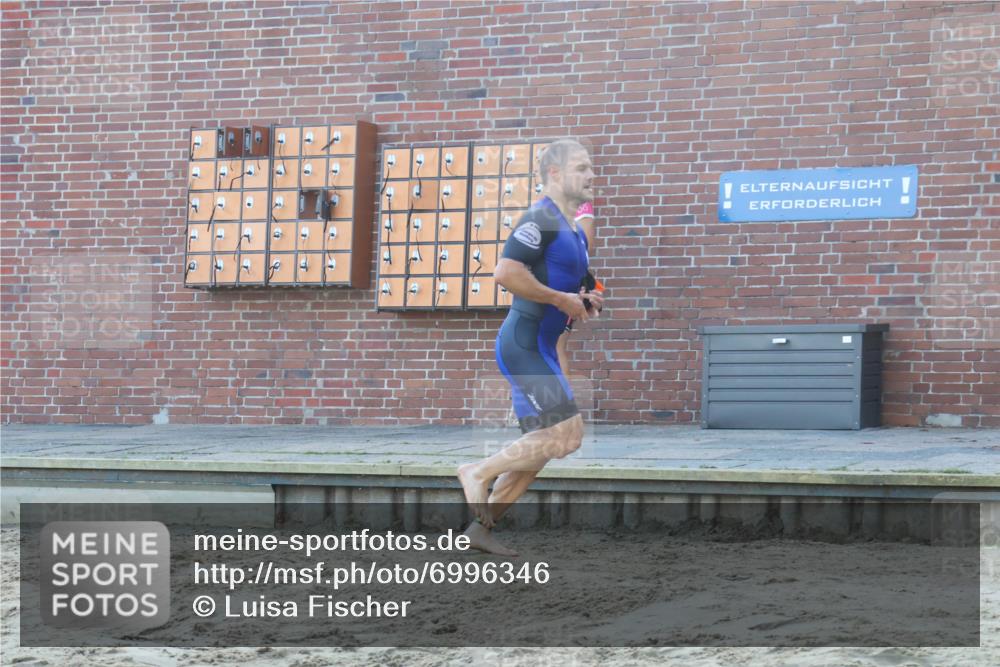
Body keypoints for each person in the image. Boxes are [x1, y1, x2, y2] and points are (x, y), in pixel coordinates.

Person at [458, 138, 603, 556]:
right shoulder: (540, 218)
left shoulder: (572, 229)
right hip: (523, 345)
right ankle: (475, 471)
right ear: (555, 174)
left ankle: (480, 532)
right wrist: (561, 300)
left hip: (542, 347)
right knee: (568, 436)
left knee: (538, 452)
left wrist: (585, 298)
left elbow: (573, 285)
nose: (591, 174)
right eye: (581, 167)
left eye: (591, 167)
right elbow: (505, 272)